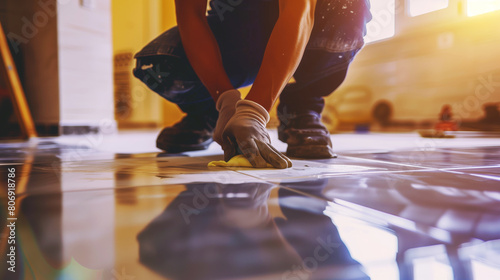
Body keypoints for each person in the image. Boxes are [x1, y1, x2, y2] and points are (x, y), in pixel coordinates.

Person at [133, 0, 372, 169]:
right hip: (239, 31)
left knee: (348, 7)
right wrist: (223, 100)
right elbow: (191, 16)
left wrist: (254, 111)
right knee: (159, 64)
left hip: (307, 28)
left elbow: (299, 9)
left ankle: (301, 107)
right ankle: (207, 112)